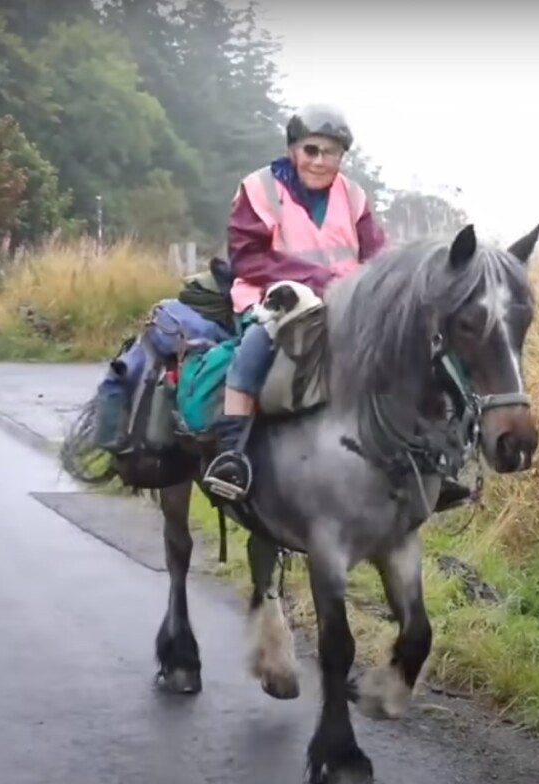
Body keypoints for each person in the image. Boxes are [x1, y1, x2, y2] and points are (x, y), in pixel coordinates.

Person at [201, 103, 473, 513]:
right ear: (293, 149)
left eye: (330, 153)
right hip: (270, 299)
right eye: (311, 150)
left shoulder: (354, 196)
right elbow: (247, 257)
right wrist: (318, 279)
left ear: (342, 156)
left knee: (411, 351)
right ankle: (231, 458)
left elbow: (375, 255)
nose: (320, 161)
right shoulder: (258, 190)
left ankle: (430, 458)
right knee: (254, 348)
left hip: (345, 303)